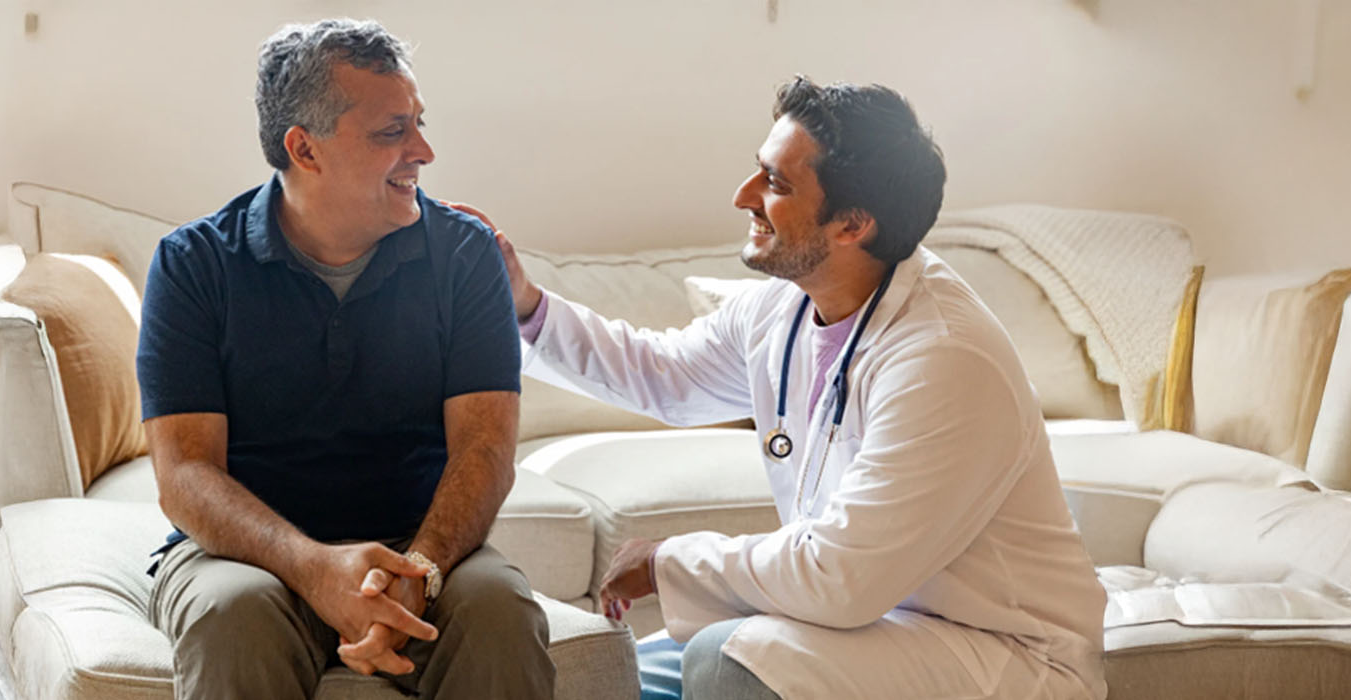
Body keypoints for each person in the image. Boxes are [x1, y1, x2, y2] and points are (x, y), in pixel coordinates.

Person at [470, 77, 1107, 699]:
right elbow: (663, 373)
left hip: (1000, 651)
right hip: (872, 625)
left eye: (775, 182)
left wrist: (669, 559)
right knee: (606, 669)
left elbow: (840, 575)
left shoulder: (943, 357)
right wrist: (522, 303)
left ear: (851, 225)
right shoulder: (787, 308)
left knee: (730, 663)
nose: (743, 196)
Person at [135, 18, 553, 699]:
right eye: (392, 132)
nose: (423, 150)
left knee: (500, 612)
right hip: (250, 559)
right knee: (231, 617)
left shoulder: (466, 255)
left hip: (422, 550)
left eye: (418, 123)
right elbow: (184, 474)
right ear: (305, 148)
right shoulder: (194, 265)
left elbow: (484, 451)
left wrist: (418, 573)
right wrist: (316, 569)